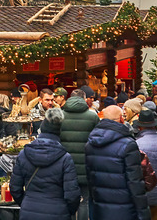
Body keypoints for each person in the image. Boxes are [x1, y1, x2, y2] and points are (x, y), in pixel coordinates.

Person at [10, 108, 80, 220]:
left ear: (41, 130)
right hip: (58, 211)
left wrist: (25, 203)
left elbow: (14, 187)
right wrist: (68, 211)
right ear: (59, 132)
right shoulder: (65, 158)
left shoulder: (24, 154)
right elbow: (72, 195)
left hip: (29, 211)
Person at [85, 105, 150, 220]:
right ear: (121, 118)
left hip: (100, 207)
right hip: (125, 208)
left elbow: (90, 178)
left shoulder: (91, 143)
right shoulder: (128, 144)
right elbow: (135, 181)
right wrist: (143, 212)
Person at [59, 89, 100, 220]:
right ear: (84, 99)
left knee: (66, 199)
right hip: (86, 164)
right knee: (84, 201)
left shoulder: (59, 116)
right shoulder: (92, 116)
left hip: (64, 165)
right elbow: (98, 139)